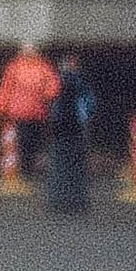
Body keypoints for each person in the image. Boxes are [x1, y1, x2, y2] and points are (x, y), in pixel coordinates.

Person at [0, 36, 61, 172]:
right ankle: (26, 165)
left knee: (23, 139)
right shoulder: (43, 67)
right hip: (34, 111)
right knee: (29, 139)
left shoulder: (16, 67)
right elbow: (53, 88)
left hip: (21, 110)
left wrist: (1, 106)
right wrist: (44, 96)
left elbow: (6, 88)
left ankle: (22, 165)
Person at [44, 49, 96, 213]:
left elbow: (51, 105)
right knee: (77, 167)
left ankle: (57, 200)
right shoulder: (82, 84)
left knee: (59, 165)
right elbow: (90, 106)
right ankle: (78, 201)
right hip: (77, 128)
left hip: (60, 129)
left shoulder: (57, 83)